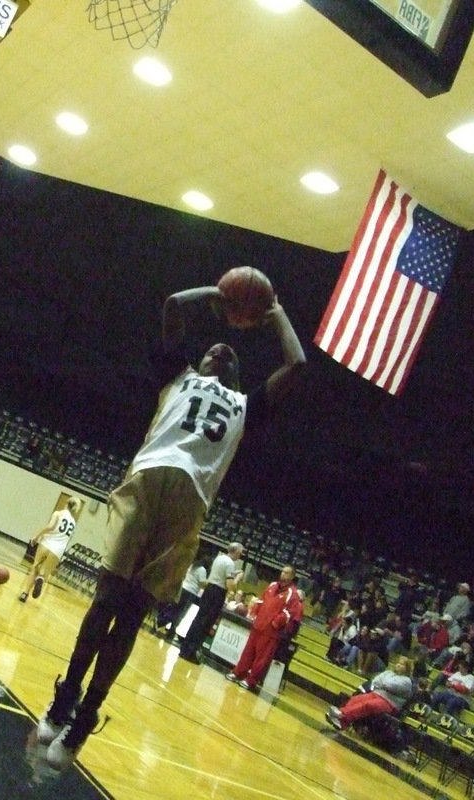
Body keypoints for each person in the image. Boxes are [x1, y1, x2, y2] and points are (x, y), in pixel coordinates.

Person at [36, 278, 306, 769]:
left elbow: (298, 365)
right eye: (211, 350)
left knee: (132, 615)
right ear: (196, 363)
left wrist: (277, 313)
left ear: (237, 378)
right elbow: (171, 306)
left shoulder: (246, 407)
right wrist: (218, 293)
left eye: (228, 355)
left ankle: (85, 717)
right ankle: (66, 696)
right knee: (104, 601)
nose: (220, 351)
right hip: (146, 481)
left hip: (190, 504)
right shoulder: (177, 378)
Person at [226, 564, 303, 690]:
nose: (283, 574)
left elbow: (289, 613)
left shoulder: (292, 594)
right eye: (282, 571)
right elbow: (262, 600)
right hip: (258, 625)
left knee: (262, 658)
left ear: (292, 576)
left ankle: (251, 680)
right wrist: (254, 612)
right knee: (248, 652)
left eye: (287, 573)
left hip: (271, 631)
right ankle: (238, 673)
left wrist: (275, 623)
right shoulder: (272, 585)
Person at [177, 542, 245, 662]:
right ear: (236, 551)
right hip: (217, 593)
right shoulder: (230, 563)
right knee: (206, 623)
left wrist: (232, 574)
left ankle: (185, 648)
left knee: (198, 619)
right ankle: (192, 652)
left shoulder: (219, 558)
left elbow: (222, 574)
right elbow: (231, 586)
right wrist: (238, 578)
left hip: (209, 589)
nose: (241, 554)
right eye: (241, 552)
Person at [18, 497, 82, 603]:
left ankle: (25, 594)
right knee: (44, 572)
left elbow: (50, 527)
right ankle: (41, 578)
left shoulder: (58, 514)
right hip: (57, 550)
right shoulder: (73, 524)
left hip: (46, 544)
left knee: (34, 568)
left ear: (66, 503)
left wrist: (36, 536)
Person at [326, 658, 413, 730]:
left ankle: (341, 715)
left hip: (389, 703)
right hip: (376, 693)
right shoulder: (388, 673)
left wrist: (383, 683)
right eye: (398, 663)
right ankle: (341, 722)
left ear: (407, 668)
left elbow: (390, 685)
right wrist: (384, 684)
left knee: (368, 705)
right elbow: (375, 681)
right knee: (356, 699)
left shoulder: (407, 681)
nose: (398, 665)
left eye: (402, 665)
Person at [161, 558, 206, 639]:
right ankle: (170, 627)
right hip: (191, 592)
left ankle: (163, 621)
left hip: (183, 588)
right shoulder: (202, 570)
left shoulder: (191, 565)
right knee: (181, 612)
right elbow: (202, 583)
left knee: (175, 608)